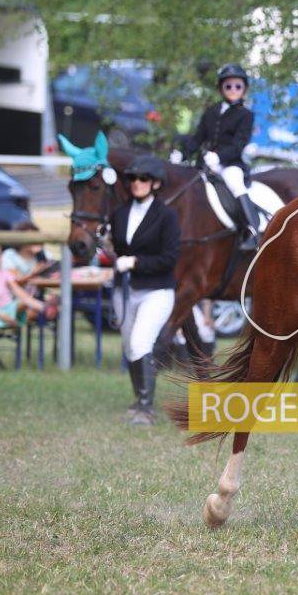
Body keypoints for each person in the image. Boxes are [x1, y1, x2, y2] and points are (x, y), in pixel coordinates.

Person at [110, 155, 180, 425]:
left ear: (155, 183)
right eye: (132, 178)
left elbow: (169, 259)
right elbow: (118, 250)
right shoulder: (119, 214)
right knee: (130, 347)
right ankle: (138, 399)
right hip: (125, 290)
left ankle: (146, 408)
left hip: (157, 290)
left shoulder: (167, 216)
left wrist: (135, 262)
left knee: (141, 342)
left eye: (143, 179)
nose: (137, 183)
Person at [172, 63, 261, 251]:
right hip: (206, 163)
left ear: (244, 89)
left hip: (230, 164)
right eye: (228, 86)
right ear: (221, 88)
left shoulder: (246, 115)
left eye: (238, 86)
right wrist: (182, 153)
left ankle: (252, 230)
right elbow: (198, 138)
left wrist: (219, 156)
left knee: (235, 182)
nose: (233, 90)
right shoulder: (211, 111)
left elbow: (239, 144)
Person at [0, 244, 48, 373]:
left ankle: (41, 307)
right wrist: (1, 316)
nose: (1, 259)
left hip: (8, 308)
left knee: (23, 301)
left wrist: (30, 301)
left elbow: (18, 291)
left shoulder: (4, 274)